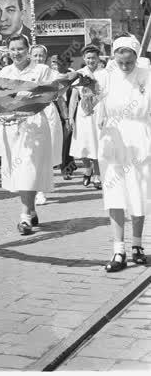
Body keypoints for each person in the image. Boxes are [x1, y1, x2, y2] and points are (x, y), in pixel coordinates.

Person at [91, 35, 149, 272]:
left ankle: (137, 245)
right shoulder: (104, 78)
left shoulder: (147, 76)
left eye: (129, 62)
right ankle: (118, 250)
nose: (125, 66)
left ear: (136, 57)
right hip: (113, 139)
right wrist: (88, 98)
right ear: (114, 57)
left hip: (140, 138)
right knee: (115, 193)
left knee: (139, 192)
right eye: (121, 61)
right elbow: (89, 110)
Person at [0, 34, 54, 235]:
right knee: (19, 171)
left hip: (34, 125)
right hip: (11, 126)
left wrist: (30, 101)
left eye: (20, 49)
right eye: (12, 49)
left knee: (29, 167)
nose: (16, 53)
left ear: (28, 49)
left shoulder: (41, 70)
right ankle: (32, 209)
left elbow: (51, 94)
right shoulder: (4, 72)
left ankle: (25, 216)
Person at [29, 44, 70, 205]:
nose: (38, 58)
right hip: (29, 113)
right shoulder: (25, 73)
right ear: (30, 56)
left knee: (46, 152)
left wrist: (66, 118)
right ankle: (33, 187)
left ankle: (41, 190)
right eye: (35, 55)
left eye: (41, 55)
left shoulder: (52, 74)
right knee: (32, 152)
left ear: (45, 58)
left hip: (48, 113)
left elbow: (60, 97)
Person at [69, 45, 102, 190]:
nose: (91, 60)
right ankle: (87, 168)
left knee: (97, 144)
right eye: (88, 58)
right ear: (84, 59)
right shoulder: (79, 74)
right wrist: (70, 117)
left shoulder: (105, 73)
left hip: (99, 112)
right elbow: (74, 98)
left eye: (93, 58)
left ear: (98, 58)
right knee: (83, 145)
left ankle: (98, 175)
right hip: (83, 114)